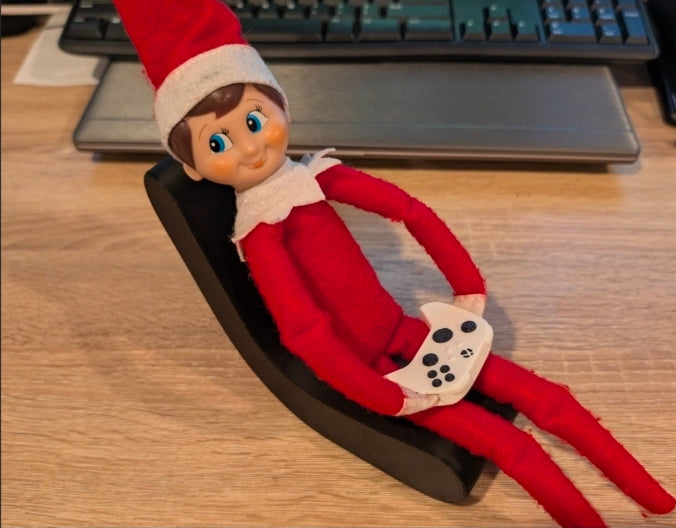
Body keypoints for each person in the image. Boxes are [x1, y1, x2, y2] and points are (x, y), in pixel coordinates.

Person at [113, 0, 675, 526]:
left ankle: (656, 499)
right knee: (512, 445)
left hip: (404, 329)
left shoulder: (319, 178)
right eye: (218, 144)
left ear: (281, 105)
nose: (250, 148)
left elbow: (409, 211)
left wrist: (467, 286)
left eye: (254, 121)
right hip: (376, 372)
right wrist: (384, 395)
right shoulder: (260, 236)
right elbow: (304, 334)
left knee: (549, 398)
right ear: (192, 168)